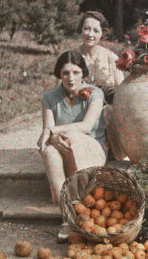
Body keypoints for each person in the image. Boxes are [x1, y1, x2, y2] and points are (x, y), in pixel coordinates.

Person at [38, 51, 107, 239]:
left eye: (76, 72)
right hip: (61, 147)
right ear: (59, 74)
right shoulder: (49, 98)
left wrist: (53, 132)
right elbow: (47, 132)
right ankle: (67, 216)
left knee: (72, 138)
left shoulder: (95, 94)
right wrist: (51, 137)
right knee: (50, 152)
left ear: (83, 73)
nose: (71, 78)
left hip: (91, 149)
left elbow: (86, 127)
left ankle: (84, 211)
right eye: (65, 73)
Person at [71, 10, 129, 161]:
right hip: (78, 112)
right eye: (87, 28)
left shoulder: (111, 58)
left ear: (102, 34)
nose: (90, 34)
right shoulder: (71, 57)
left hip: (105, 115)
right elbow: (61, 90)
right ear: (81, 29)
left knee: (109, 111)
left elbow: (122, 92)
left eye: (95, 30)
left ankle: (117, 157)